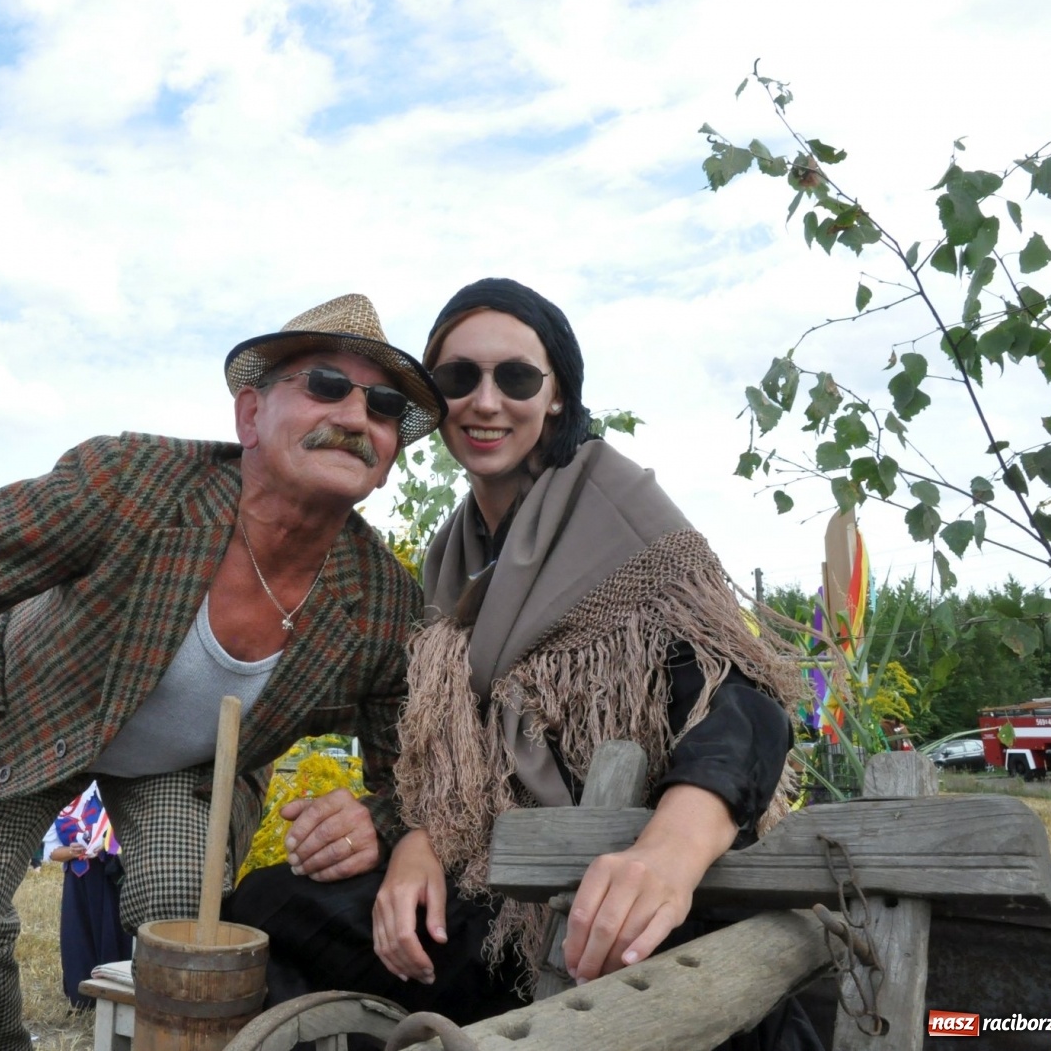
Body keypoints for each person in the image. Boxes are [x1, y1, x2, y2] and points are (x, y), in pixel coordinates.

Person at [0, 294, 447, 1051]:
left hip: (187, 766)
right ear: (250, 416)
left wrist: (379, 825)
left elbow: (415, 767)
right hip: (25, 710)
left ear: (386, 459)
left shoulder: (383, 604)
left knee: (187, 917)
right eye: (324, 384)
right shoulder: (134, 484)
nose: (355, 414)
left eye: (382, 405)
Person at [232, 279, 816, 1048]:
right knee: (263, 911)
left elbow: (741, 704)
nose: (485, 401)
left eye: (516, 377)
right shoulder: (453, 558)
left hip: (631, 918)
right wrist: (409, 839)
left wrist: (665, 858)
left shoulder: (621, 516)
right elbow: (453, 772)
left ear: (557, 396)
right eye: (457, 378)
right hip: (500, 898)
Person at [46, 782, 129, 1010]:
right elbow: (52, 852)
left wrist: (104, 844)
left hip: (109, 877)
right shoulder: (58, 805)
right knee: (78, 935)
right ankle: (83, 997)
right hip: (78, 882)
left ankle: (115, 992)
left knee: (112, 931)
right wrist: (71, 852)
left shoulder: (100, 790)